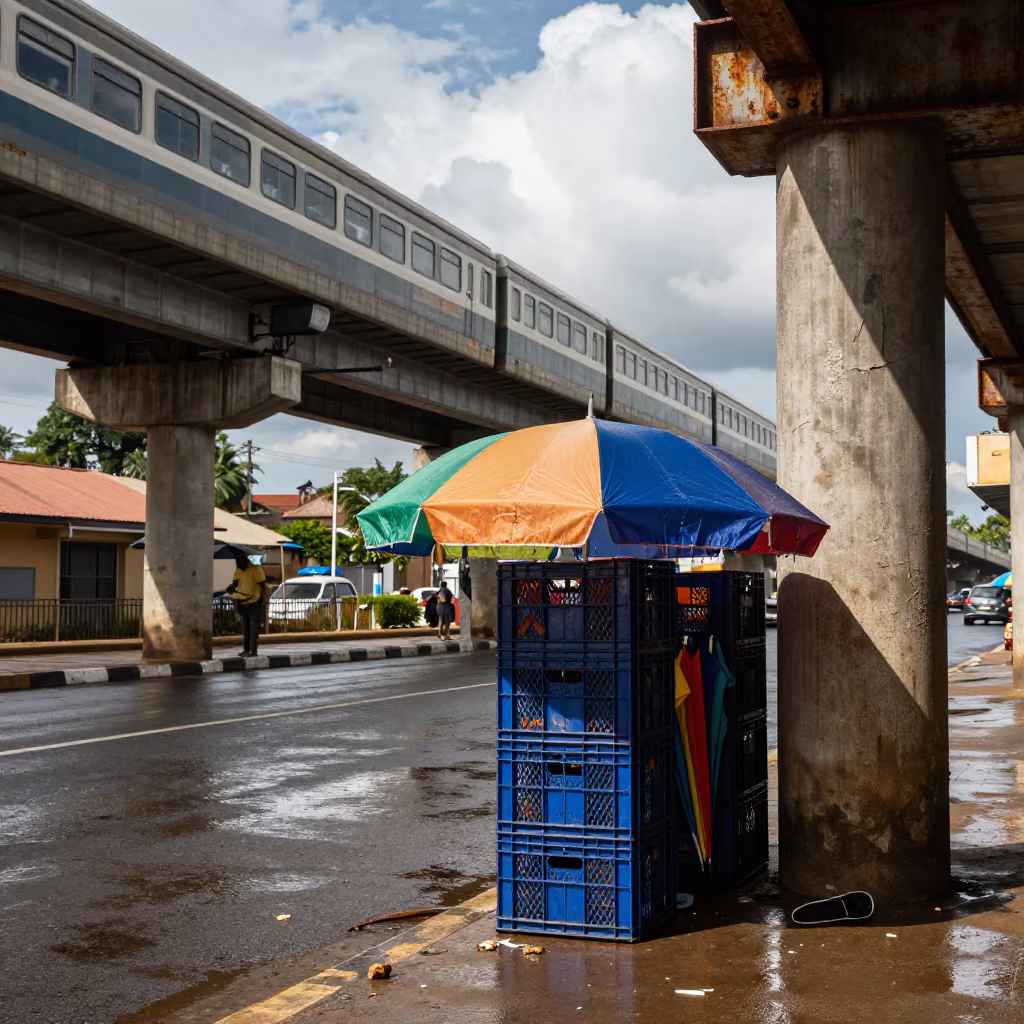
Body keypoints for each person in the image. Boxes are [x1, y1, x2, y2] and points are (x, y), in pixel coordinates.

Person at [226, 552, 266, 657]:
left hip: (254, 602)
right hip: (240, 602)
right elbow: (235, 584)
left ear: (245, 561)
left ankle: (253, 650)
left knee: (253, 628)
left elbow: (263, 585)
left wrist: (265, 600)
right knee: (245, 627)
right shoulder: (239, 570)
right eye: (237, 564)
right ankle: (246, 649)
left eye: (239, 563)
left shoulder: (256, 569)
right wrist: (229, 588)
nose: (238, 566)